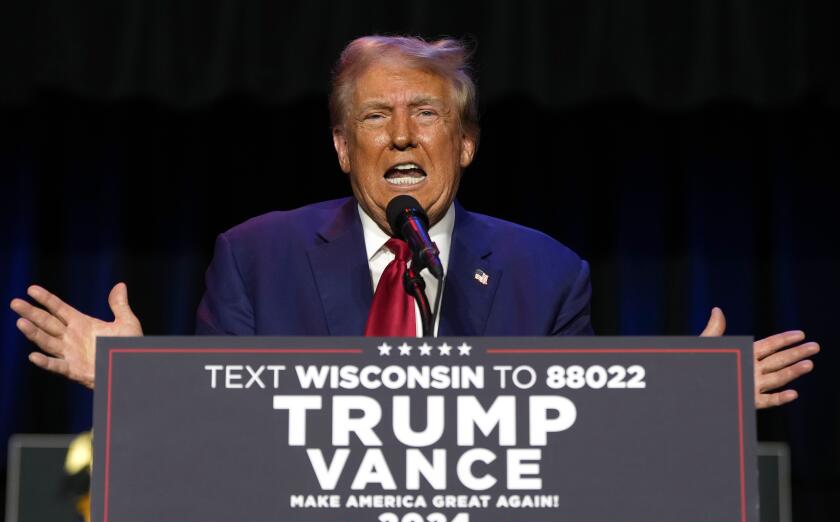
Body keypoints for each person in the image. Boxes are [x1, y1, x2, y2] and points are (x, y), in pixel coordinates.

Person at [9, 36, 819, 408]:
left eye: (425, 113)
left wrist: (693, 406)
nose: (400, 134)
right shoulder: (256, 255)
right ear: (339, 145)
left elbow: (574, 438)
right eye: (373, 117)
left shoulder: (548, 272)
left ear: (464, 143)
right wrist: (135, 383)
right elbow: (226, 430)